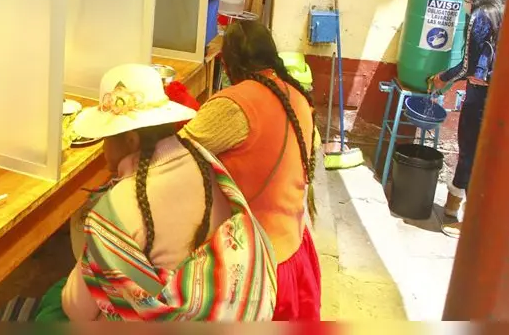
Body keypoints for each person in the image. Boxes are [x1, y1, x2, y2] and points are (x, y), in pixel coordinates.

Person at [31, 64, 276, 321]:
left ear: (131, 141)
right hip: (232, 308)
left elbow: (78, 310)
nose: (104, 151)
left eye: (107, 138)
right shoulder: (203, 160)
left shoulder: (117, 210)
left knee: (53, 307)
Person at [177, 19, 321, 321]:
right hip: (295, 255)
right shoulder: (298, 96)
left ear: (227, 65)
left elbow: (177, 153)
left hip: (257, 265)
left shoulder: (234, 104)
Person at [429, 0, 507, 238]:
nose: (464, 2)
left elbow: (468, 66)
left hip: (480, 95)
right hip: (502, 95)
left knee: (470, 152)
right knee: (488, 156)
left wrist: (443, 78)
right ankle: (454, 207)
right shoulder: (504, 9)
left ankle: (471, 223)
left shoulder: (481, 16)